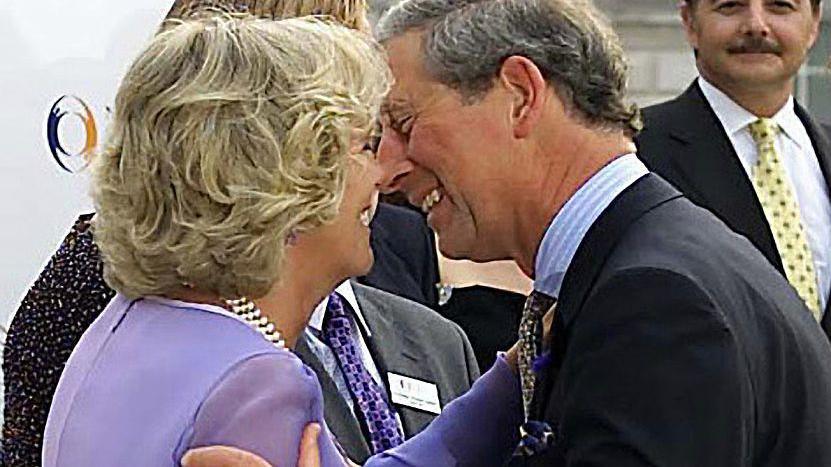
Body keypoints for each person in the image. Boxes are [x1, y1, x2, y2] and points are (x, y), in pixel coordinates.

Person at [1, 1, 472, 465]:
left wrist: (509, 379)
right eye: (365, 145)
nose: (381, 174)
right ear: (290, 177)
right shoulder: (258, 381)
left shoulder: (130, 323)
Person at [368, 0, 831, 465]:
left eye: (406, 125)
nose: (386, 170)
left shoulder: (654, 300)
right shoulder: (645, 268)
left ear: (521, 95)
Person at [635, 0, 831, 336]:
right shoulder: (634, 154)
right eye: (731, 6)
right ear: (690, 22)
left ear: (814, 23)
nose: (756, 25)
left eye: (780, 6)